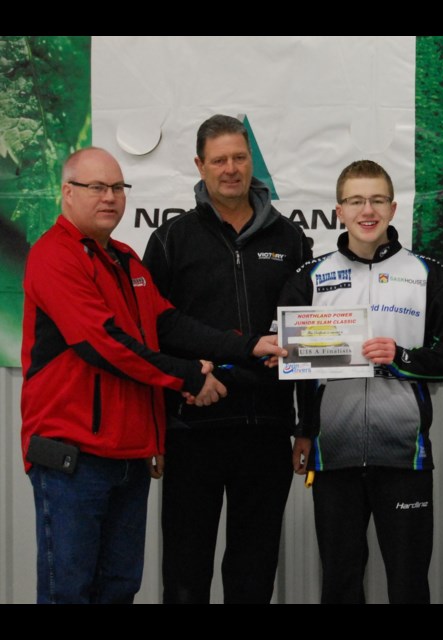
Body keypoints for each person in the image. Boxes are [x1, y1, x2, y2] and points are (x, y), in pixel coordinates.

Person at [21, 147, 283, 604]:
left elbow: (168, 323)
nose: (110, 198)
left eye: (118, 187)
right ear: (66, 192)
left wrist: (248, 346)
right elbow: (103, 344)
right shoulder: (54, 256)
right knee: (70, 591)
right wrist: (189, 377)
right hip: (73, 461)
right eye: (97, 187)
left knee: (120, 588)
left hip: (130, 459)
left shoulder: (125, 259)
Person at [282, 160, 443, 604]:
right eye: (355, 201)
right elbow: (298, 372)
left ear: (392, 207)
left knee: (409, 583)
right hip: (334, 457)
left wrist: (403, 358)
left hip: (404, 455)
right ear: (338, 211)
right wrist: (304, 431)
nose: (366, 210)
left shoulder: (428, 275)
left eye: (376, 200)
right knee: (340, 581)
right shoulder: (309, 278)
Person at [142, 114, 311, 604]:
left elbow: (309, 328)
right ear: (200, 165)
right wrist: (159, 419)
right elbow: (155, 330)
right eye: (219, 160)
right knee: (185, 575)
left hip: (267, 430)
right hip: (193, 430)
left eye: (239, 157)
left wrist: (305, 424)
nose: (231, 169)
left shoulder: (291, 238)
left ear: (251, 160)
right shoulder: (171, 238)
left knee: (253, 575)